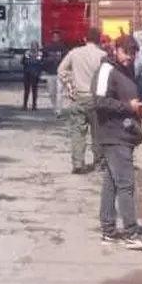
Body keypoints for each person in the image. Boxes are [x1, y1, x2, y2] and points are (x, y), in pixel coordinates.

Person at [92, 33, 142, 250]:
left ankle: (109, 231)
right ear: (116, 50)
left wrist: (139, 109)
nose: (129, 57)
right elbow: (99, 101)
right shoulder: (107, 69)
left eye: (133, 53)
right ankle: (131, 233)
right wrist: (128, 107)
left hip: (123, 134)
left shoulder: (125, 70)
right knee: (126, 185)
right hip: (113, 135)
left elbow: (125, 99)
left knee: (112, 183)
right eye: (126, 52)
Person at [56, 27, 107, 174]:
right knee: (98, 132)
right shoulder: (103, 55)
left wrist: (69, 85)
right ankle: (99, 162)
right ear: (99, 40)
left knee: (78, 132)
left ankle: (78, 163)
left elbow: (61, 70)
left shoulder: (75, 53)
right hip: (96, 99)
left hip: (78, 97)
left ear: (85, 39)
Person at [43, 29, 67, 115]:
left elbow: (66, 59)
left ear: (59, 37)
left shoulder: (63, 47)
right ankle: (54, 107)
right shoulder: (48, 47)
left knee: (59, 92)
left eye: (57, 36)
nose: (56, 38)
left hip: (60, 73)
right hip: (50, 73)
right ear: (52, 37)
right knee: (51, 92)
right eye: (54, 36)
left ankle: (59, 110)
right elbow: (43, 59)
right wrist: (48, 61)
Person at [21, 40, 45, 110]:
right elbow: (23, 62)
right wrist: (32, 61)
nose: (33, 47)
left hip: (35, 74)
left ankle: (34, 106)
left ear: (37, 47)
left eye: (35, 46)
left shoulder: (40, 54)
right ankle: (25, 105)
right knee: (26, 90)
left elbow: (41, 63)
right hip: (27, 74)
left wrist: (33, 62)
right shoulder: (27, 53)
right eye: (32, 46)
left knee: (34, 90)